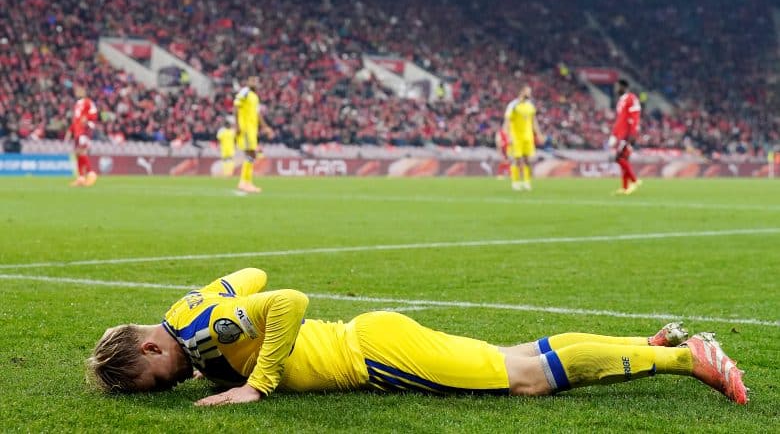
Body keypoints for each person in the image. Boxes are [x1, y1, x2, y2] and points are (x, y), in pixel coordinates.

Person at [87, 268, 749, 406]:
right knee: (516, 355)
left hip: (373, 356)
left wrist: (256, 385)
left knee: (524, 379)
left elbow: (287, 299)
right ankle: (649, 343)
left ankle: (686, 358)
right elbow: (251, 276)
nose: (172, 383)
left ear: (150, 347)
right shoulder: (189, 310)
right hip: (372, 336)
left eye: (159, 379)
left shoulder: (203, 333)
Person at [234, 76, 273, 193]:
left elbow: (257, 114)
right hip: (245, 128)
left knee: (251, 155)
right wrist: (237, 125)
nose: (254, 83)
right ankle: (245, 182)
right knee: (250, 153)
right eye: (252, 80)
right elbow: (236, 106)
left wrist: (265, 127)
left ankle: (246, 182)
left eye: (256, 81)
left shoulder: (255, 97)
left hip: (252, 130)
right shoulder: (245, 92)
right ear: (248, 82)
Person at [504, 85, 543, 191]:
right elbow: (507, 121)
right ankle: (515, 182)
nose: (530, 93)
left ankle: (526, 182)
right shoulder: (513, 105)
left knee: (528, 160)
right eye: (528, 91)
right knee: (517, 160)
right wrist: (508, 136)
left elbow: (534, 121)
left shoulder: (530, 105)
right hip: (516, 137)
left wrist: (539, 134)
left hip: (528, 137)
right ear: (522, 92)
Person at [609, 79, 642, 195]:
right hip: (621, 134)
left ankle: (634, 180)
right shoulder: (621, 100)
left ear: (623, 87)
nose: (616, 89)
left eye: (617, 87)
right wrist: (614, 134)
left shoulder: (631, 98)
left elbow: (635, 116)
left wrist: (633, 133)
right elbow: (620, 119)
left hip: (627, 134)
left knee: (619, 158)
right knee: (623, 159)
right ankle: (625, 187)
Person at [63, 86, 98, 187]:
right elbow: (76, 120)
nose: (77, 92)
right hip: (77, 131)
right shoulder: (77, 104)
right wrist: (70, 131)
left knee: (81, 151)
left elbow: (94, 114)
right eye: (77, 90)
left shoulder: (88, 102)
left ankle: (91, 173)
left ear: (84, 92)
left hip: (84, 130)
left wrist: (87, 118)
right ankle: (81, 178)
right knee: (77, 153)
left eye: (80, 90)